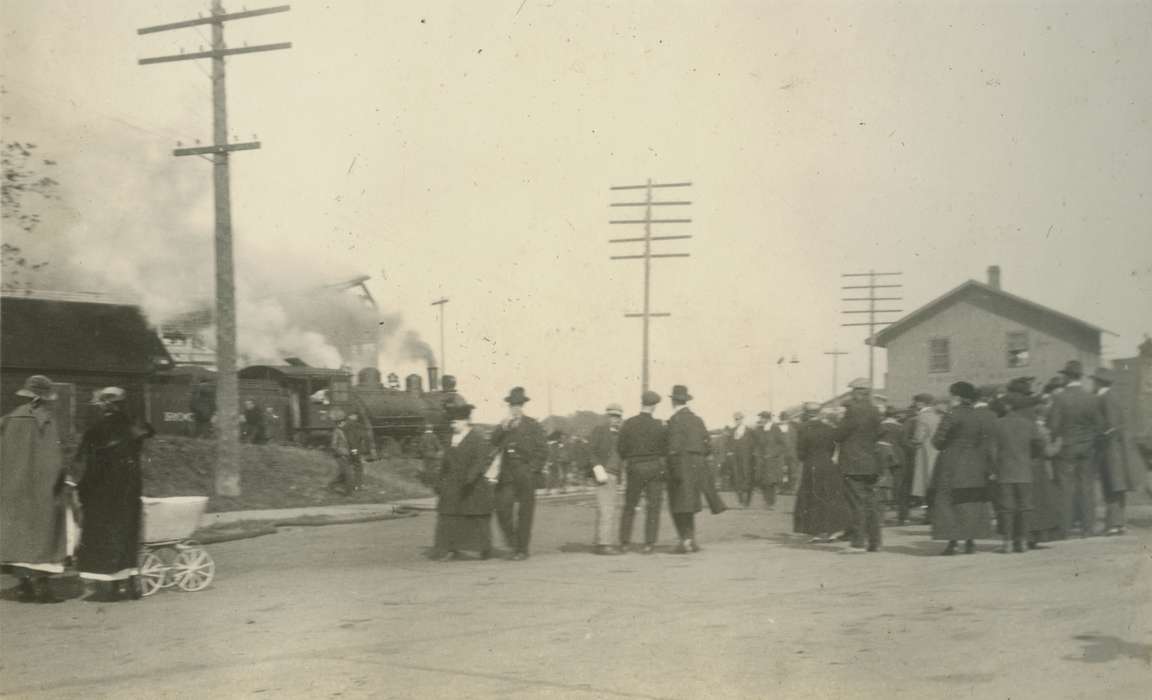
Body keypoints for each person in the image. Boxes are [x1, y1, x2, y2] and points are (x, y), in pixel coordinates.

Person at [75, 387, 154, 601]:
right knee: (126, 532)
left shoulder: (96, 430)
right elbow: (147, 431)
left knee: (102, 535)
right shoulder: (133, 426)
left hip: (101, 491)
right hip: (129, 488)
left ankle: (108, 587)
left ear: (104, 406)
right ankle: (127, 583)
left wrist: (82, 490)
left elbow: (89, 465)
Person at [0, 375, 70, 603]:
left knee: (20, 535)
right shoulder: (46, 420)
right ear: (42, 399)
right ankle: (42, 587)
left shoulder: (9, 419)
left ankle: (23, 586)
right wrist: (59, 481)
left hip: (13, 487)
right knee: (45, 532)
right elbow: (54, 459)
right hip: (41, 488)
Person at [931, 381, 995, 555]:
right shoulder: (979, 415)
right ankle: (970, 541)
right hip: (975, 464)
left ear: (956, 396)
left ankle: (953, 543)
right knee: (971, 502)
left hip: (952, 462)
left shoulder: (951, 414)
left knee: (949, 501)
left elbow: (937, 442)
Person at [490, 387, 548, 560]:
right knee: (502, 509)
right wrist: (503, 428)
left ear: (523, 406)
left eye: (518, 405)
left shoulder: (533, 425)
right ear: (508, 406)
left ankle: (522, 549)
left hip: (526, 472)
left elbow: (543, 450)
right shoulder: (504, 424)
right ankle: (513, 541)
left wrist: (532, 468)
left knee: (525, 512)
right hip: (507, 473)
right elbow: (493, 441)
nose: (515, 408)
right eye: (512, 405)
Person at [1047, 360, 1103, 537]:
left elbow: (1054, 426)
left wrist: (1055, 438)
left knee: (1065, 488)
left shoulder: (1060, 398)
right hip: (1087, 448)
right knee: (1087, 487)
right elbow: (1099, 425)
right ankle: (1087, 529)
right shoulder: (1091, 398)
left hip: (1067, 448)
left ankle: (1064, 529)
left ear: (1067, 376)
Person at [432, 403, 494, 561]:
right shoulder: (449, 439)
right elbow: (445, 464)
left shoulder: (477, 438)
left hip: (472, 485)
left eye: (456, 422)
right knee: (448, 516)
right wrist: (439, 482)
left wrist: (470, 478)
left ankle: (484, 548)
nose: (453, 425)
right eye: (451, 422)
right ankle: (448, 549)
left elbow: (480, 461)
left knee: (477, 517)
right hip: (452, 483)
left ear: (466, 421)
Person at [666, 385, 718, 553]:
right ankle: (691, 540)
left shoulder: (674, 421)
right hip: (697, 467)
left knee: (677, 504)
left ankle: (684, 541)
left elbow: (672, 447)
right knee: (689, 504)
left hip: (680, 465)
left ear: (673, 401)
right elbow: (708, 445)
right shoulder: (698, 420)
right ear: (686, 401)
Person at [1094, 367, 1145, 535]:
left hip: (1110, 449)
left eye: (1094, 381)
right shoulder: (1113, 396)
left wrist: (1099, 437)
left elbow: (1110, 426)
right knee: (1118, 486)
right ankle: (1119, 523)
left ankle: (1113, 524)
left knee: (1111, 486)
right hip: (1118, 448)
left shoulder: (1105, 397)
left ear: (1099, 382)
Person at [835, 379, 884, 551]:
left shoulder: (852, 411)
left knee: (856, 503)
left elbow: (839, 435)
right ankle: (875, 542)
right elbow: (879, 434)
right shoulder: (875, 411)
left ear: (856, 392)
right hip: (871, 463)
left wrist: (838, 421)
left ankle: (857, 543)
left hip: (853, 463)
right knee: (871, 503)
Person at [793, 403, 853, 543]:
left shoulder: (803, 429)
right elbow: (833, 447)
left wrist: (806, 458)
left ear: (806, 413)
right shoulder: (829, 428)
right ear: (819, 413)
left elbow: (800, 451)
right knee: (829, 496)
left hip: (811, 465)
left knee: (813, 498)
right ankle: (833, 529)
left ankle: (818, 531)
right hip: (828, 465)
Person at [993, 394, 1044, 553]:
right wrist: (1030, 459)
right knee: (1025, 507)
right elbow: (1038, 445)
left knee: (1006, 508)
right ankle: (1022, 541)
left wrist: (995, 469)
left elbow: (991, 451)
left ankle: (1007, 543)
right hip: (1024, 471)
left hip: (1004, 472)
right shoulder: (1028, 424)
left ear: (1008, 406)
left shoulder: (997, 424)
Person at [618, 390, 668, 554]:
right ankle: (649, 544)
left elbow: (621, 448)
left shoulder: (629, 423)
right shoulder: (659, 425)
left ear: (642, 404)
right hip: (654, 467)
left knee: (630, 505)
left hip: (635, 467)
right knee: (653, 506)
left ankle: (625, 542)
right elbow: (664, 449)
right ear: (654, 406)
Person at [588, 403, 625, 555]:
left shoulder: (620, 434)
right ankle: (604, 544)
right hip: (604, 473)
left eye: (618, 417)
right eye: (612, 416)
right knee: (606, 509)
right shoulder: (599, 431)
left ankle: (601, 542)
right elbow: (590, 451)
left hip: (614, 474)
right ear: (607, 416)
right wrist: (597, 467)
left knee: (607, 508)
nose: (615, 420)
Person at [909, 394, 943, 522]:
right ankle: (936, 514)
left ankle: (929, 515)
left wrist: (913, 441)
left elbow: (919, 437)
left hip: (925, 452)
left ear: (920, 403)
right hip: (936, 452)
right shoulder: (937, 416)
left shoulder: (922, 417)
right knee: (934, 484)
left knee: (925, 485)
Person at [328, 412, 377, 495]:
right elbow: (334, 445)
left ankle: (333, 486)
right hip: (342, 455)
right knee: (348, 473)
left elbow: (351, 442)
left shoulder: (345, 430)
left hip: (348, 454)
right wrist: (343, 453)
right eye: (342, 422)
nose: (343, 423)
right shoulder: (339, 430)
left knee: (344, 473)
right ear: (339, 423)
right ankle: (349, 492)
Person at [724, 412, 756, 507]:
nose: (737, 421)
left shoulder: (749, 431)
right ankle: (741, 500)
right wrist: (729, 452)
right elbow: (728, 444)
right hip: (735, 459)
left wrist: (752, 454)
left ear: (743, 419)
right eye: (736, 419)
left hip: (747, 459)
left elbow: (754, 444)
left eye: (739, 419)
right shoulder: (732, 431)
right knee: (737, 478)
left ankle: (747, 501)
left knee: (747, 478)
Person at [777, 411, 800, 494]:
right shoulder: (776, 428)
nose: (784, 420)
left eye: (785, 418)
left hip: (792, 453)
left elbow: (797, 440)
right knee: (781, 471)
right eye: (782, 418)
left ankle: (792, 488)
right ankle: (782, 488)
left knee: (792, 471)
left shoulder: (794, 428)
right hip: (781, 454)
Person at [418, 425, 445, 490]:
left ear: (426, 429)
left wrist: (423, 453)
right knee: (433, 469)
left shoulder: (423, 436)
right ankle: (433, 484)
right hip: (433, 455)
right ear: (432, 429)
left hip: (426, 455)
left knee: (426, 469)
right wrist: (440, 452)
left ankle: (427, 484)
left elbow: (420, 447)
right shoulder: (434, 436)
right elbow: (438, 446)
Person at [545, 430, 571, 494]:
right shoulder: (554, 445)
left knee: (561, 476)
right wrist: (550, 461)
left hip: (562, 463)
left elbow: (566, 454)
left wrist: (567, 460)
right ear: (559, 438)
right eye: (562, 437)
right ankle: (549, 490)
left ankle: (561, 489)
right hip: (556, 462)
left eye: (564, 437)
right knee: (556, 476)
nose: (563, 438)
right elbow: (552, 453)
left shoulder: (564, 445)